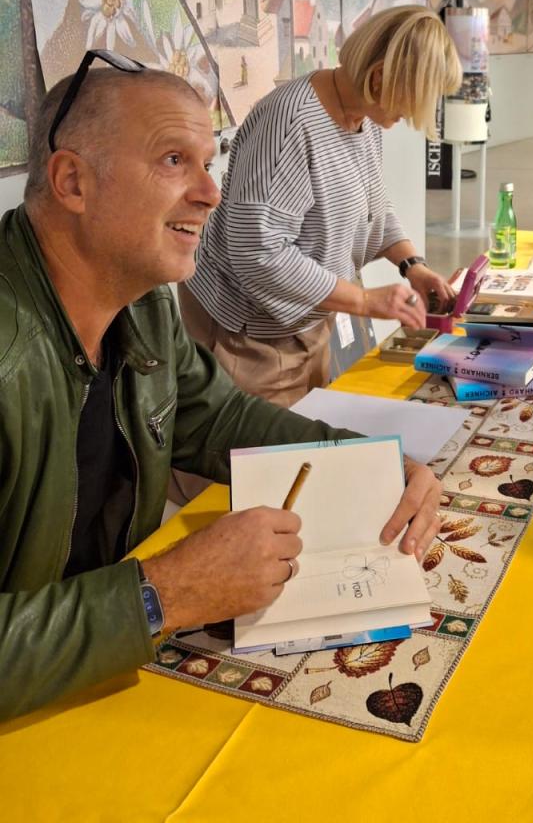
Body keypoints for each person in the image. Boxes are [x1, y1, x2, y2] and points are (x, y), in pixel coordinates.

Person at [0, 56, 442, 722]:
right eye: (175, 160)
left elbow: (219, 420)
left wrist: (375, 465)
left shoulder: (142, 305)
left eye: (210, 162)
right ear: (72, 181)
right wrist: (162, 595)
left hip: (95, 684)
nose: (212, 193)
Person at [180, 5, 462, 407]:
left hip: (306, 317)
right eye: (413, 101)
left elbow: (373, 206)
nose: (411, 116)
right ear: (379, 78)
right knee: (253, 461)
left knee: (309, 436)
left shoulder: (362, 119)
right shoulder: (291, 123)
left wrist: (412, 265)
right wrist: (365, 300)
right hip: (247, 332)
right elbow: (258, 251)